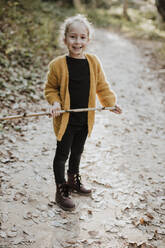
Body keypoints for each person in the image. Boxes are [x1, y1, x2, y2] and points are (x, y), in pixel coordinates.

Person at [44, 14, 122, 211]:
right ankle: (61, 189)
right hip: (66, 119)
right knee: (62, 154)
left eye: (81, 37)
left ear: (88, 40)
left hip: (85, 118)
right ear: (65, 39)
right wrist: (54, 103)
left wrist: (110, 103)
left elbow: (102, 86)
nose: (77, 42)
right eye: (72, 37)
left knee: (77, 151)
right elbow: (50, 88)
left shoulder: (93, 62)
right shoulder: (58, 65)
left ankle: (73, 179)